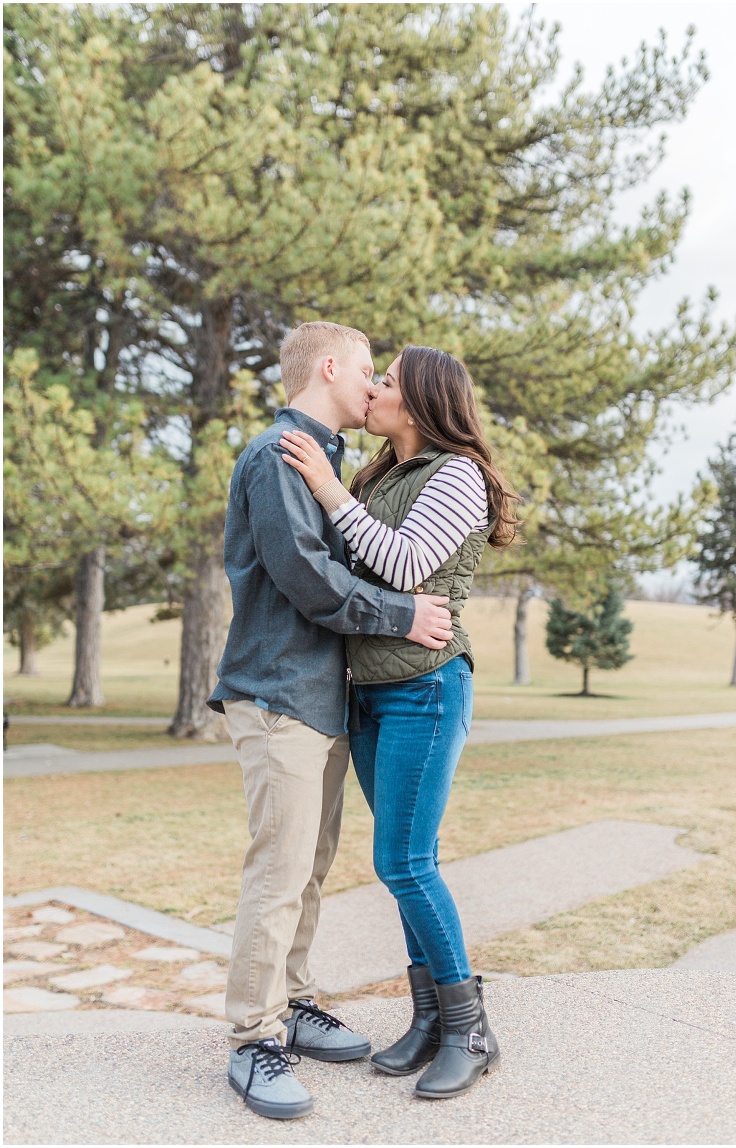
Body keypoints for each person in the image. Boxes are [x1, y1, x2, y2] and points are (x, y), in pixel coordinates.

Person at [207, 322, 454, 1121]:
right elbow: (309, 582)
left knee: (307, 871)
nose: (375, 385)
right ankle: (254, 1038)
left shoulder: (331, 462)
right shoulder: (279, 455)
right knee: (277, 876)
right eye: (369, 371)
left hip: (320, 699)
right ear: (329, 368)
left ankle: (297, 999)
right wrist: (402, 615)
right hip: (278, 695)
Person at [279, 344, 520, 1100]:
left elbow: (406, 565)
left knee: (405, 863)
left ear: (418, 402)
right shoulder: (380, 474)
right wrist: (339, 491)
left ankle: (472, 1030)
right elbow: (350, 575)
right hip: (371, 692)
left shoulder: (458, 475)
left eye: (386, 381)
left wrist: (324, 488)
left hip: (426, 688)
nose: (374, 389)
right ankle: (428, 1019)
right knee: (408, 863)